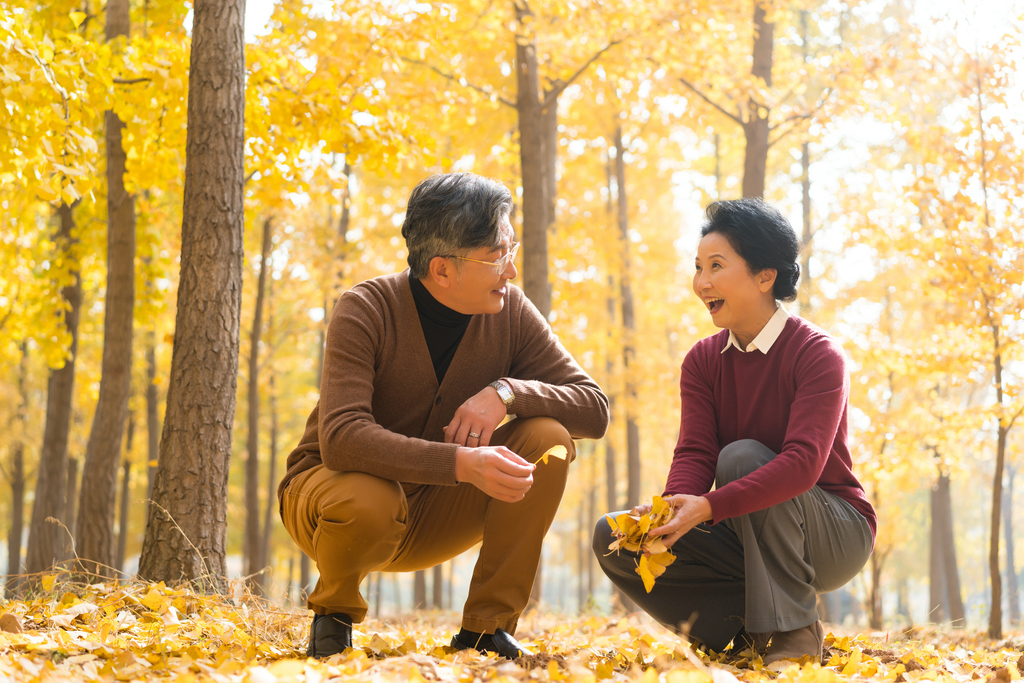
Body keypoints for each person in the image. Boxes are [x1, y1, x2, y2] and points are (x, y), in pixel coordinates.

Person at [280, 172, 609, 659]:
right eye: (498, 256)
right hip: (335, 504)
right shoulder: (365, 308)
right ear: (442, 269)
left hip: (437, 513)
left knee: (548, 436)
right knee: (369, 495)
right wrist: (461, 463)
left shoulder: (511, 311)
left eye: (511, 250)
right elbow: (343, 439)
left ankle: (486, 631)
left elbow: (594, 408)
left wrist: (507, 393)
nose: (511, 271)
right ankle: (333, 618)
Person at [593, 198, 875, 664]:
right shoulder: (703, 360)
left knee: (741, 456)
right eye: (698, 267)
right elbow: (694, 452)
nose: (701, 282)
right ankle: (743, 634)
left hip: (834, 533)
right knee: (615, 537)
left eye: (717, 266)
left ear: (765, 276)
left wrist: (708, 506)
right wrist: (671, 513)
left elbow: (804, 464)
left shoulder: (817, 353)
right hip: (746, 530)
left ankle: (797, 635)